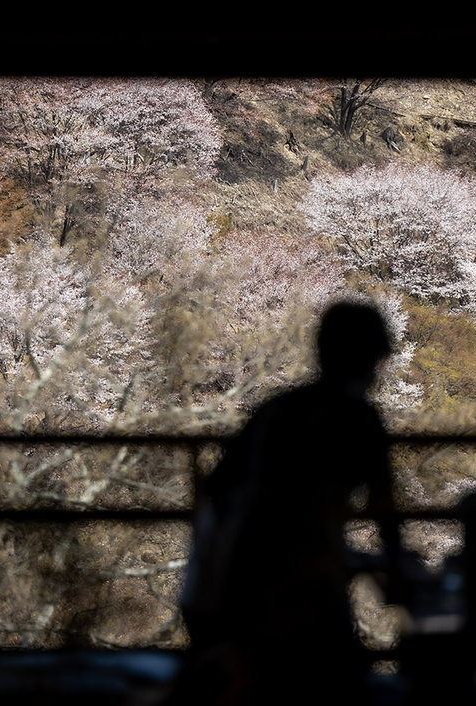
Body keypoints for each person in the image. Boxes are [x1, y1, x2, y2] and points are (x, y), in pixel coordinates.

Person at [173, 300, 412, 705]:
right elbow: (384, 512)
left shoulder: (277, 409)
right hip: (307, 585)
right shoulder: (360, 420)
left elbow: (217, 488)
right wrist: (393, 563)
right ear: (371, 357)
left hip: (244, 570)